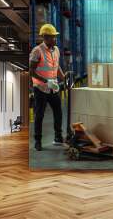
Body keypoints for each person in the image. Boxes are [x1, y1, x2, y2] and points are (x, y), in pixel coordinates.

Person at [30, 23, 66, 151]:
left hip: (53, 88)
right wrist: (46, 81)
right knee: (39, 115)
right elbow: (32, 71)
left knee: (58, 112)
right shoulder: (37, 51)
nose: (55, 39)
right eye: (52, 37)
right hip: (40, 89)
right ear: (45, 37)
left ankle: (58, 137)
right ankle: (38, 141)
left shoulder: (56, 50)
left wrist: (63, 77)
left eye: (55, 37)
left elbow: (56, 66)